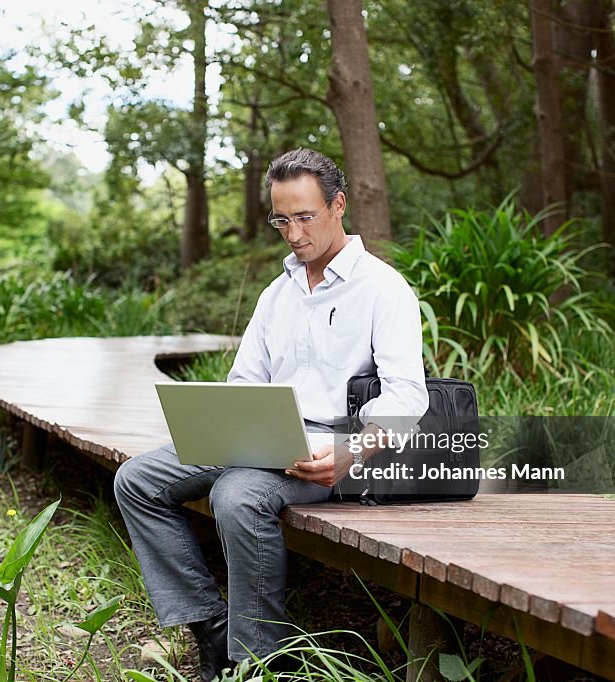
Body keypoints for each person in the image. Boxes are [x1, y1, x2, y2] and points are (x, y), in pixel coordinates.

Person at [113, 148, 428, 681]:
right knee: (136, 480)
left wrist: (353, 453)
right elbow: (245, 382)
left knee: (235, 495)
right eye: (282, 219)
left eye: (305, 216)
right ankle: (210, 627)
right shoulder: (276, 294)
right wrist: (232, 424)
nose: (294, 233)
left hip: (335, 451)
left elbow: (407, 396)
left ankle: (258, 660)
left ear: (338, 205)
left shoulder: (383, 289)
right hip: (262, 437)